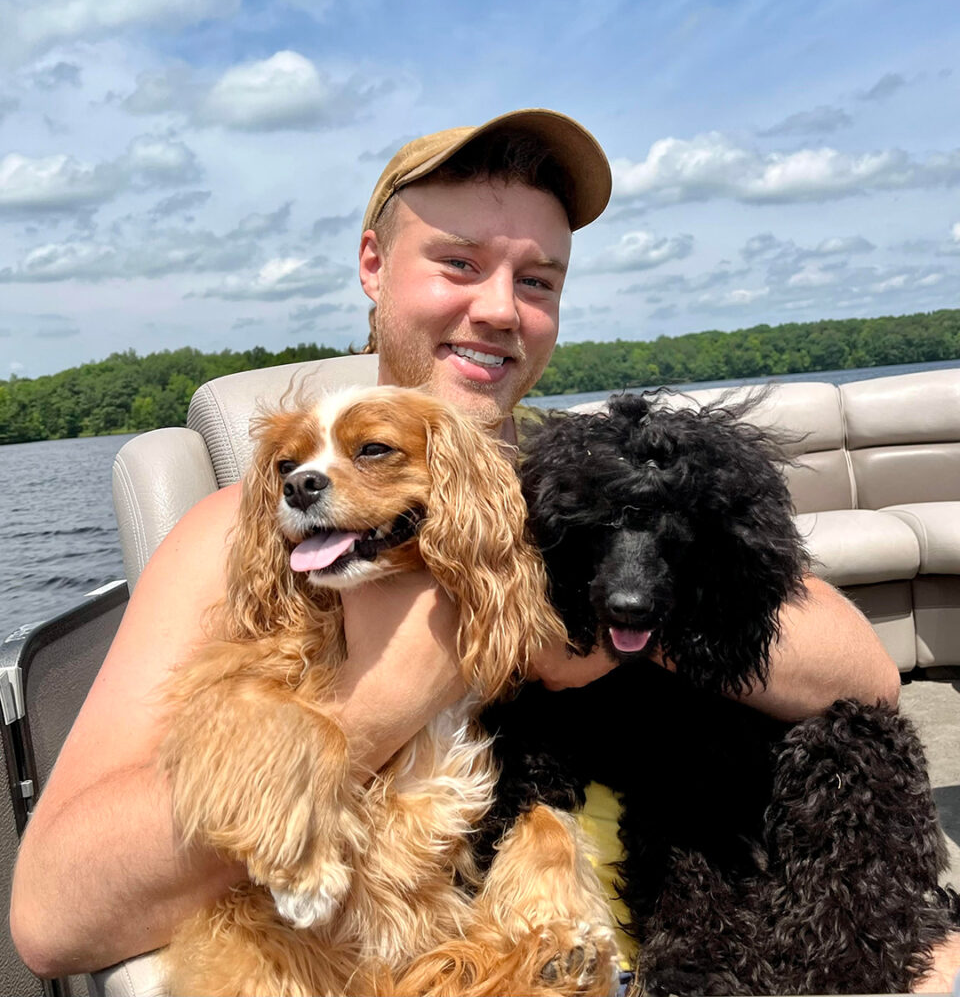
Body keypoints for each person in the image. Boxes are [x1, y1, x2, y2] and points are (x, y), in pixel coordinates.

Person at [11, 108, 946, 987]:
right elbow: (54, 915)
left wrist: (588, 623)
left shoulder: (583, 486)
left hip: (700, 925)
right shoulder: (244, 531)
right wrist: (389, 692)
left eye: (537, 279)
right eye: (458, 263)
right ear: (374, 265)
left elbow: (862, 674)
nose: (500, 308)